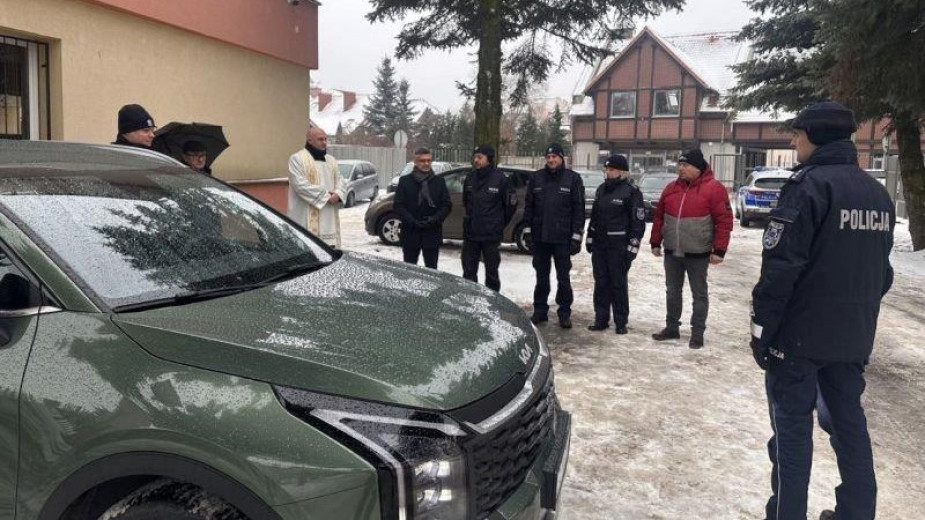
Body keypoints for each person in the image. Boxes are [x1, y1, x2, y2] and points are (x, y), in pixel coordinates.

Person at [750, 101, 894, 520]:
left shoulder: (808, 187)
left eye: (797, 134)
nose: (794, 141)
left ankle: (786, 513)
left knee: (792, 433)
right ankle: (857, 512)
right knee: (850, 427)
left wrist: (762, 331)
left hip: (798, 340)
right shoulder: (877, 193)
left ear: (814, 136)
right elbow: (881, 274)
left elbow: (780, 270)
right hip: (851, 338)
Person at [649, 148, 732, 348]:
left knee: (699, 293)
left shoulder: (714, 189)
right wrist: (655, 241)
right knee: (672, 291)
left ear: (698, 168)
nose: (681, 168)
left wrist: (719, 250)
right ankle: (672, 327)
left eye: (686, 165)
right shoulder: (671, 188)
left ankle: (697, 332)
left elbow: (724, 220)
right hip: (672, 251)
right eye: (680, 164)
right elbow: (659, 216)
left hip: (698, 252)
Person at [524, 143, 584, 328]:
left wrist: (576, 236)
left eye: (554, 157)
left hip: (562, 238)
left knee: (563, 278)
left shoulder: (572, 179)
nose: (551, 160)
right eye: (548, 157)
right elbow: (529, 208)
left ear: (561, 158)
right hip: (541, 237)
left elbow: (578, 210)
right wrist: (528, 231)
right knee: (541, 277)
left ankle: (564, 313)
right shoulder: (536, 178)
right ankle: (540, 311)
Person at [586, 154, 645, 334]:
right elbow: (594, 217)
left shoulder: (631, 191)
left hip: (618, 247)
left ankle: (621, 322)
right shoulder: (601, 189)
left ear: (621, 172)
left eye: (611, 169)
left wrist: (633, 247)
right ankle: (601, 318)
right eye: (606, 169)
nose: (608, 172)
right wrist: (590, 237)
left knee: (618, 284)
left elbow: (638, 223)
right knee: (601, 282)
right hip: (600, 246)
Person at [461, 145, 517, 291]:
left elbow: (511, 206)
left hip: (491, 235)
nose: (476, 160)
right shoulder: (470, 178)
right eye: (475, 157)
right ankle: (469, 301)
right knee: (468, 273)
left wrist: (498, 223)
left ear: (489, 159)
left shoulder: (501, 179)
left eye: (480, 157)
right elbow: (466, 202)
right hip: (471, 234)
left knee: (492, 274)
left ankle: (493, 304)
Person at [287, 127, 347, 247]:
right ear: (309, 140)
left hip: (329, 220)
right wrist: (326, 196)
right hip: (304, 218)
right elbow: (300, 185)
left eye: (325, 139)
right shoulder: (297, 159)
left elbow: (340, 180)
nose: (324, 142)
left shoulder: (332, 161)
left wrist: (338, 194)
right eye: (320, 139)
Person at [393, 147, 451, 269]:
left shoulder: (439, 181)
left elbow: (446, 205)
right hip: (411, 232)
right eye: (422, 161)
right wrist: (411, 220)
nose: (426, 163)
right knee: (409, 270)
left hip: (432, 232)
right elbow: (398, 205)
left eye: (429, 160)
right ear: (415, 162)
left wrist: (434, 219)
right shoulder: (405, 181)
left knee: (431, 270)